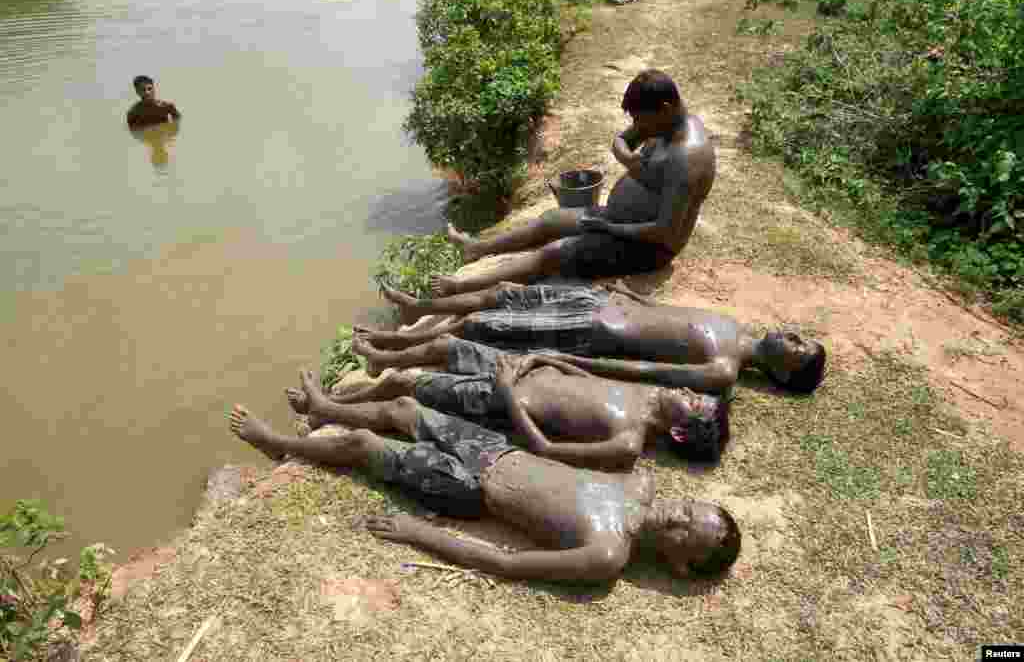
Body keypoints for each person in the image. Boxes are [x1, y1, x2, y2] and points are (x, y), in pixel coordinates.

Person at [229, 379, 742, 583]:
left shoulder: (606, 554)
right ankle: (328, 407)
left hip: (470, 490)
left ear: (678, 563)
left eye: (682, 532)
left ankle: (282, 444)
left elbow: (505, 562)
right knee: (405, 407)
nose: (675, 516)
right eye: (688, 509)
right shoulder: (640, 484)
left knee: (362, 447)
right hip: (499, 450)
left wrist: (420, 533)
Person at [433, 69, 716, 297]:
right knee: (550, 221)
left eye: (641, 119)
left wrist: (609, 228)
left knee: (555, 253)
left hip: (648, 248)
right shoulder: (662, 123)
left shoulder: (686, 158)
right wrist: (629, 160)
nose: (638, 126)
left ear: (664, 109)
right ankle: (477, 248)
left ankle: (457, 287)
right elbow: (621, 141)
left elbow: (665, 232)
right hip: (618, 220)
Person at [287, 340, 730, 470]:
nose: (688, 393)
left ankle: (327, 408)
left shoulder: (628, 442)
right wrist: (543, 359)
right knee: (443, 345)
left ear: (678, 433)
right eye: (696, 392)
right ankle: (347, 388)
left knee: (405, 390)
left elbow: (547, 451)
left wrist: (507, 395)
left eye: (694, 404)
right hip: (519, 369)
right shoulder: (646, 395)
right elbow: (586, 379)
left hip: (499, 398)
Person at [359, 280, 826, 395]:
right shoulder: (733, 326)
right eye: (801, 336)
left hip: (588, 331)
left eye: (798, 347)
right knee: (503, 295)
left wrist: (574, 365)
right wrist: (627, 296)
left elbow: (644, 371)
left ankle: (388, 353)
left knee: (479, 327)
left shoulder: (723, 371)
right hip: (597, 302)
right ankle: (419, 310)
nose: (793, 335)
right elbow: (669, 316)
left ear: (783, 373)